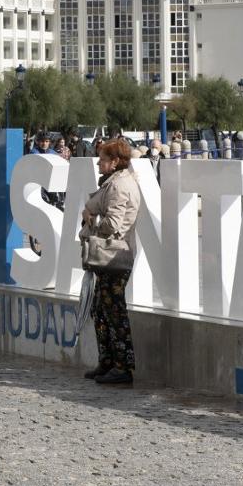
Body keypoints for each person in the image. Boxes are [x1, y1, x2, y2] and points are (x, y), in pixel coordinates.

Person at [80, 138, 141, 386]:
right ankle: (108, 361)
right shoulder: (116, 181)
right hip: (110, 254)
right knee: (100, 308)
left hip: (114, 254)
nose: (98, 163)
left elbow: (113, 224)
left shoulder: (119, 186)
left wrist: (91, 220)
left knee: (113, 310)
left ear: (115, 161)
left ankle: (122, 366)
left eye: (103, 159)